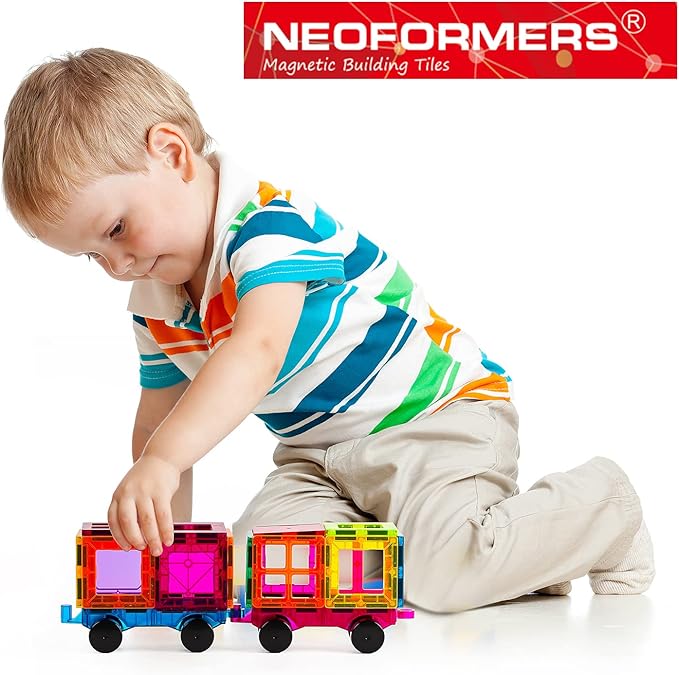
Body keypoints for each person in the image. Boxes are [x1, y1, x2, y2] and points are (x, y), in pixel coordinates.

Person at [2, 48, 654, 612]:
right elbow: (157, 423)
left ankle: (604, 510)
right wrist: (164, 542)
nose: (117, 265)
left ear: (171, 153)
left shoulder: (266, 227)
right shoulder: (154, 303)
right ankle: (509, 556)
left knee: (437, 572)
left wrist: (164, 460)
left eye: (116, 230)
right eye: (91, 256)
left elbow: (256, 351)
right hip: (317, 459)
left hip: (432, 422)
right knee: (254, 570)